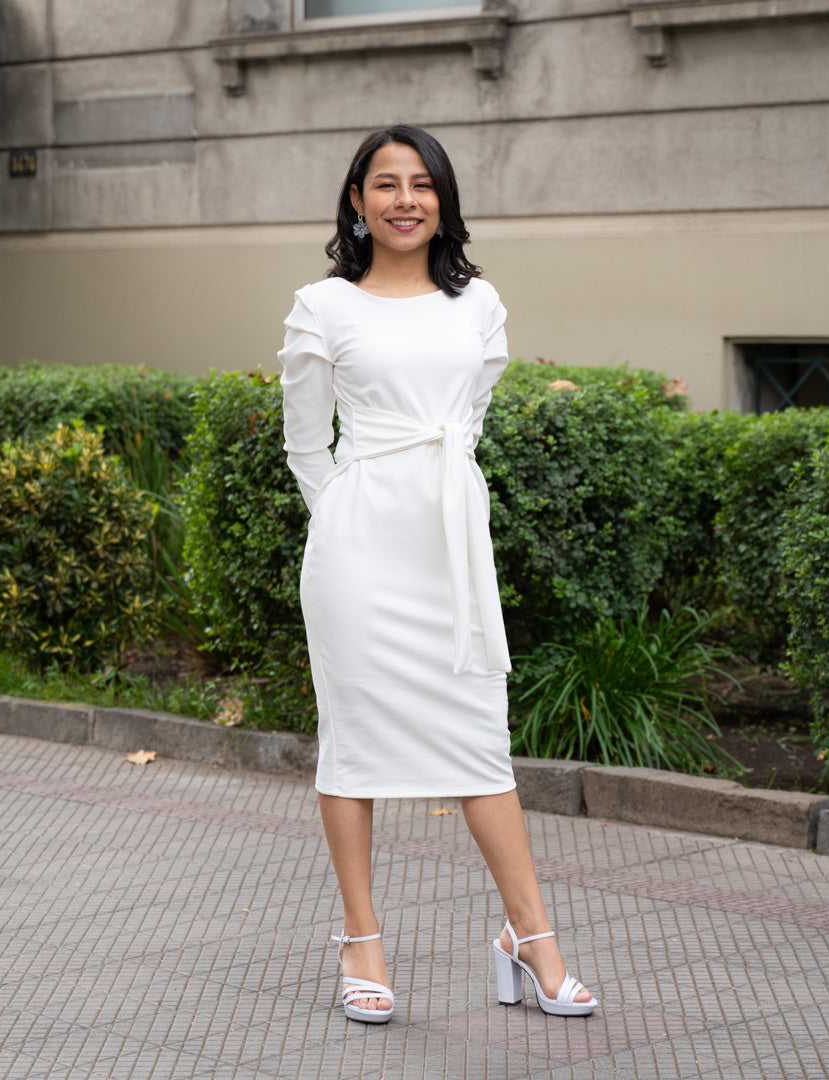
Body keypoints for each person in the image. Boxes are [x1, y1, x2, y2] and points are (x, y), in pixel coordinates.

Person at [278, 124, 597, 1024]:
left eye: (423, 184)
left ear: (444, 201)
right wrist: (346, 517)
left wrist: (432, 495)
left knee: (478, 742)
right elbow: (307, 445)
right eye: (386, 184)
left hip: (451, 544)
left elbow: (472, 416)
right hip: (358, 552)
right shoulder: (321, 306)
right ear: (357, 201)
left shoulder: (479, 305)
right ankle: (362, 941)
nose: (405, 199)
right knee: (354, 744)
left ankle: (529, 941)